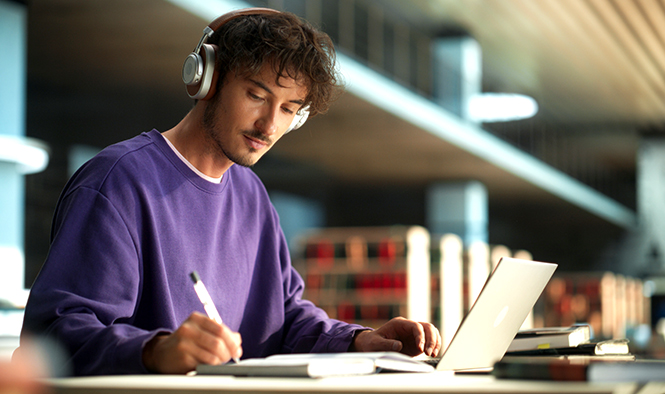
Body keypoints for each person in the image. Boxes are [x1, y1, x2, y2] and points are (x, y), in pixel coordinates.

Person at [18, 8, 441, 376]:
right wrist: (153, 350)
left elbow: (286, 317)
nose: (270, 125)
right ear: (207, 78)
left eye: (290, 110)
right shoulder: (118, 182)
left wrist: (360, 341)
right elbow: (52, 338)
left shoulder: (252, 197)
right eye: (257, 95)